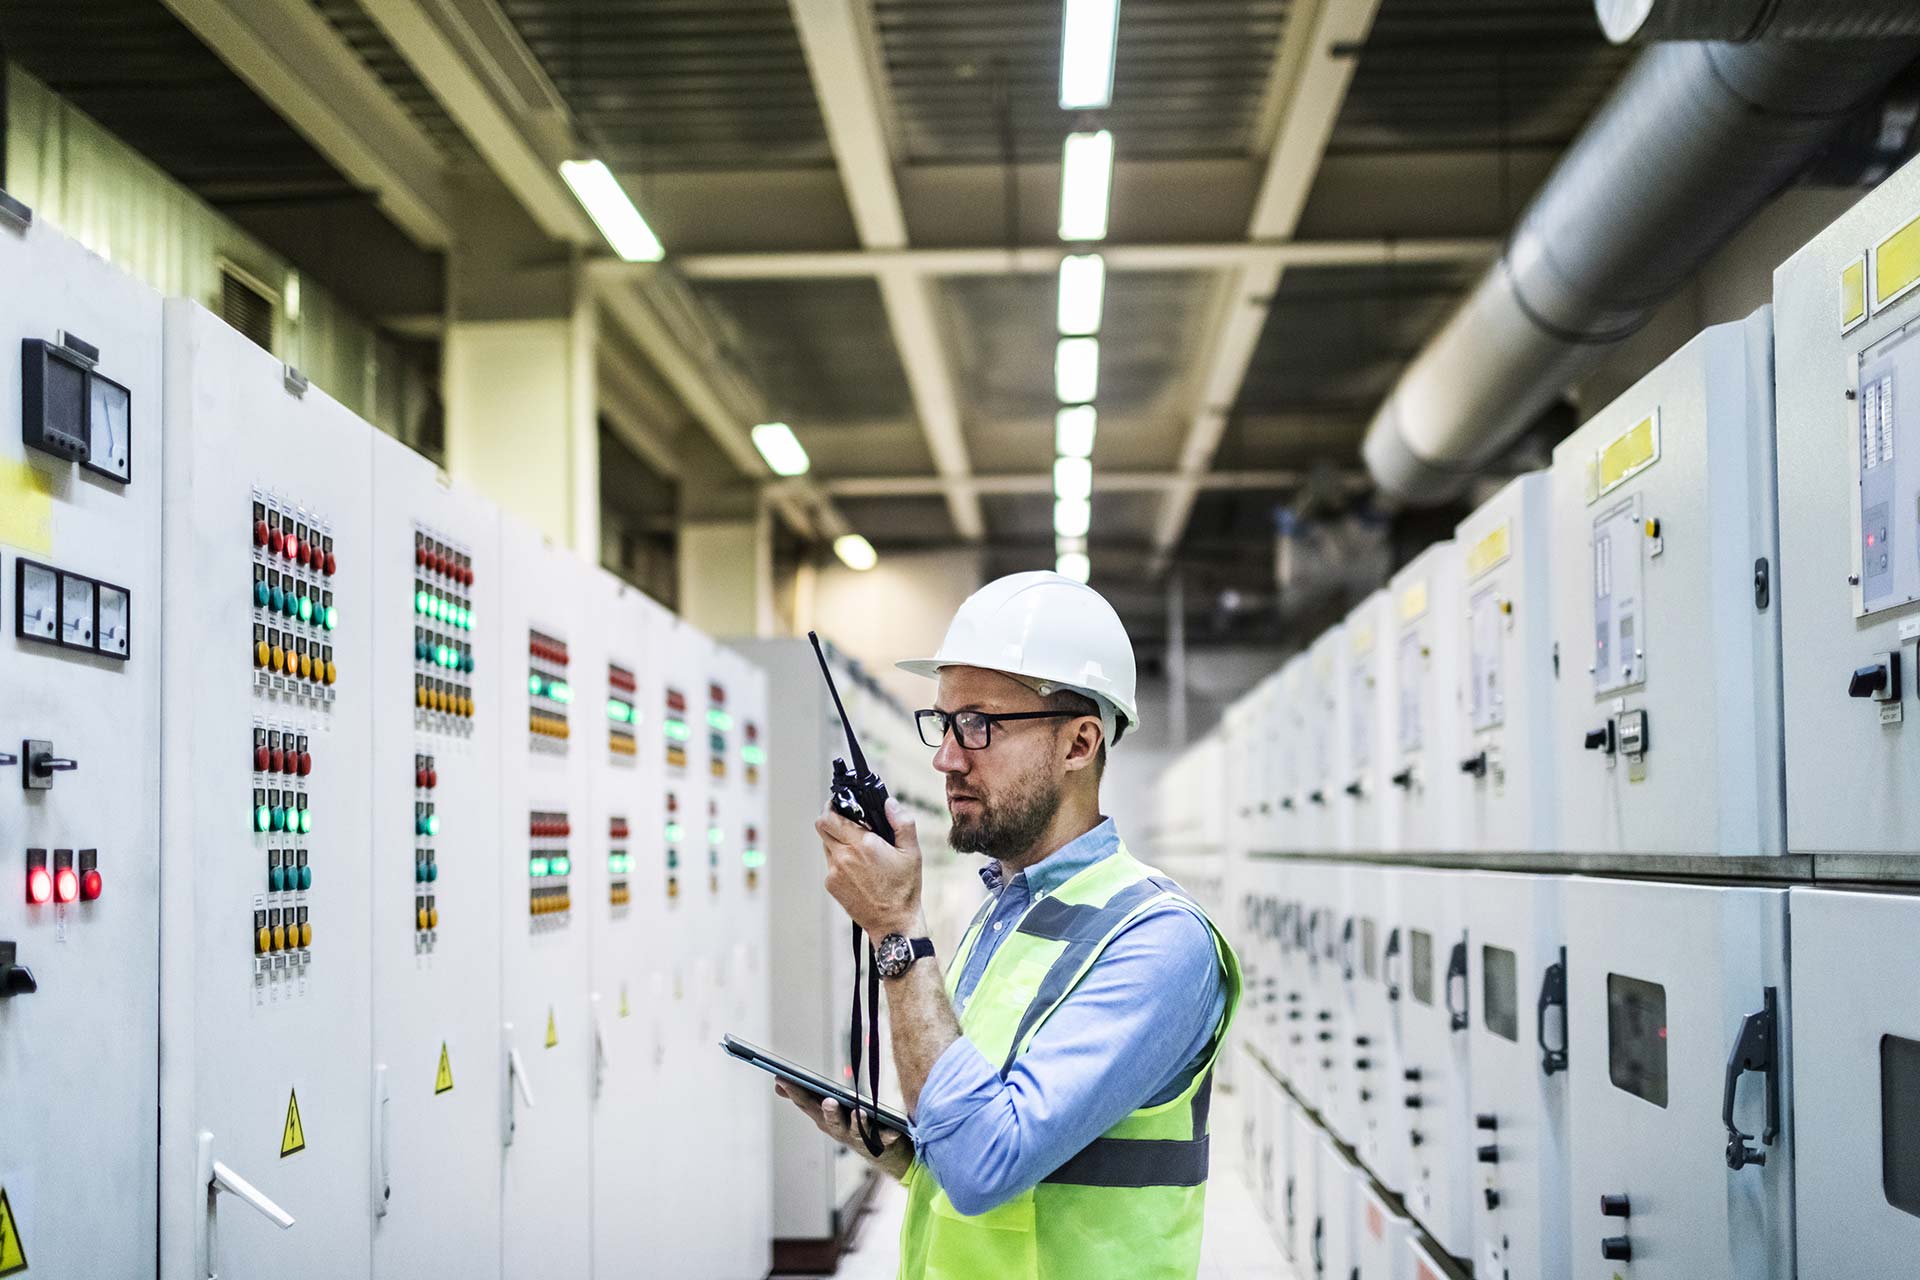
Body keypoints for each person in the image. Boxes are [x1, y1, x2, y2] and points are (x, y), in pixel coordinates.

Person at [776, 570, 1242, 1279]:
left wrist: (897, 930)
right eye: (943, 721)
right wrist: (907, 1153)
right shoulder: (1007, 910)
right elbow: (989, 1143)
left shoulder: (1158, 940)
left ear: (1079, 744)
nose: (946, 757)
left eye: (979, 725)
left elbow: (986, 1168)